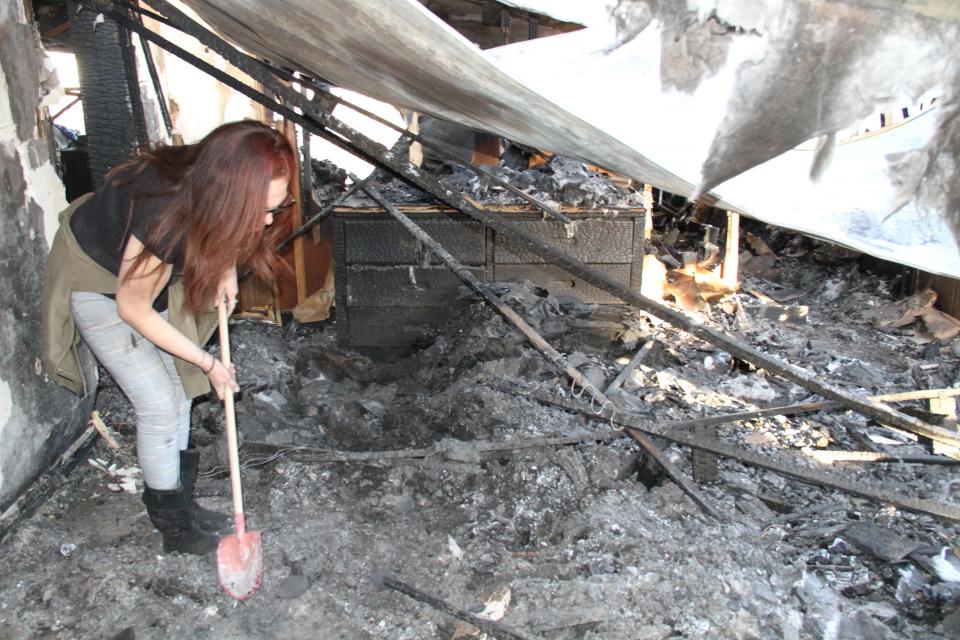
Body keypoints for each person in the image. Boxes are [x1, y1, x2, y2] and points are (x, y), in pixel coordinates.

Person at [41, 120, 296, 554]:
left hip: (143, 268)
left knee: (180, 392)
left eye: (277, 205)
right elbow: (133, 305)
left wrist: (226, 267)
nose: (269, 220)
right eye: (259, 210)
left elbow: (221, 228)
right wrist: (209, 362)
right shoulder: (166, 213)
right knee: (159, 404)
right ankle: (174, 529)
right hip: (98, 278)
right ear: (227, 193)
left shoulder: (209, 182)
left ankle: (182, 502)